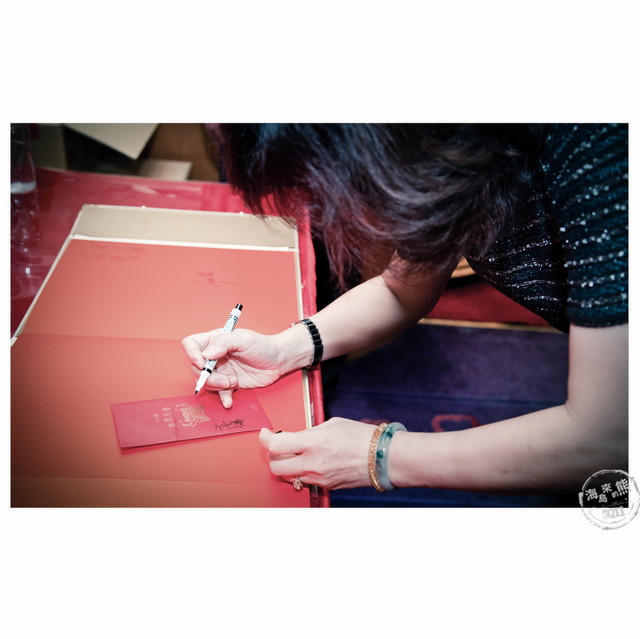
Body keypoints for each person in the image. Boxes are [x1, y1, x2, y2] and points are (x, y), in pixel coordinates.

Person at [182, 124, 628, 495]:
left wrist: (380, 455)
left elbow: (607, 435)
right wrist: (286, 348)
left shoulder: (601, 149)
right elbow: (401, 290)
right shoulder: (441, 148)